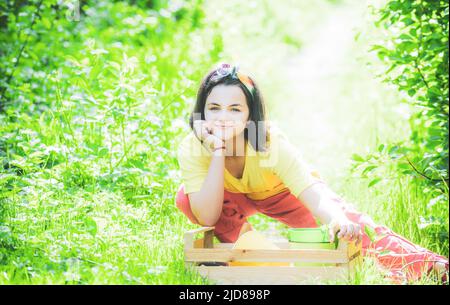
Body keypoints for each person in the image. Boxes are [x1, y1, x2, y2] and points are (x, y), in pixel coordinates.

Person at [175, 63, 448, 284]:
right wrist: (217, 152)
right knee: (186, 198)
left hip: (281, 193)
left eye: (235, 109)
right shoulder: (193, 147)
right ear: (202, 112)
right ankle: (245, 246)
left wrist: (339, 218)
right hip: (231, 199)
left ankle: (428, 266)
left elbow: (310, 189)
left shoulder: (265, 141)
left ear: (250, 116)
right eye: (214, 108)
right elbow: (207, 216)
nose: (223, 116)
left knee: (349, 226)